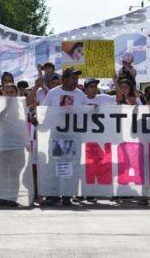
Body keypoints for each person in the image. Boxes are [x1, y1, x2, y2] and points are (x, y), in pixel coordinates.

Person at [41, 68, 86, 206]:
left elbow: (85, 112)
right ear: (64, 79)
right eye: (73, 78)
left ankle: (67, 195)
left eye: (77, 79)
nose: (75, 81)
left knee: (71, 165)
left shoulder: (80, 94)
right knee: (55, 165)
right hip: (57, 135)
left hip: (73, 136)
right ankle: (53, 195)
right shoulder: (54, 93)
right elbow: (44, 111)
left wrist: (93, 109)